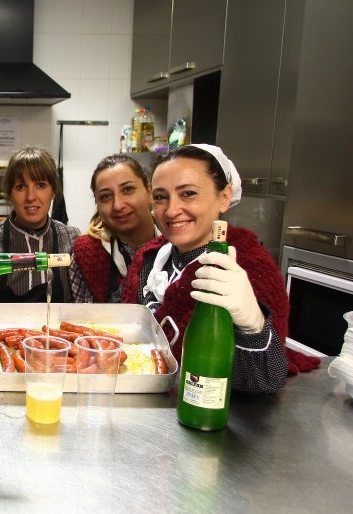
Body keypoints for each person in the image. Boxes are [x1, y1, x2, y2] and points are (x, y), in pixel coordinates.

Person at [119, 144, 291, 393]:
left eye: (188, 193)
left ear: (224, 197)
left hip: (208, 412)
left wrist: (254, 326)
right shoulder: (150, 257)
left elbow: (266, 381)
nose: (171, 210)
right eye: (160, 197)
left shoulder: (248, 267)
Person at [0, 145, 80, 303]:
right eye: (21, 187)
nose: (30, 197)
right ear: (9, 193)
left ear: (54, 190)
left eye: (40, 185)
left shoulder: (72, 240)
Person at [70, 154, 158, 303]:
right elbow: (85, 320)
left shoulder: (177, 242)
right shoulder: (86, 254)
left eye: (128, 189)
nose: (118, 205)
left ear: (149, 192)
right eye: (105, 197)